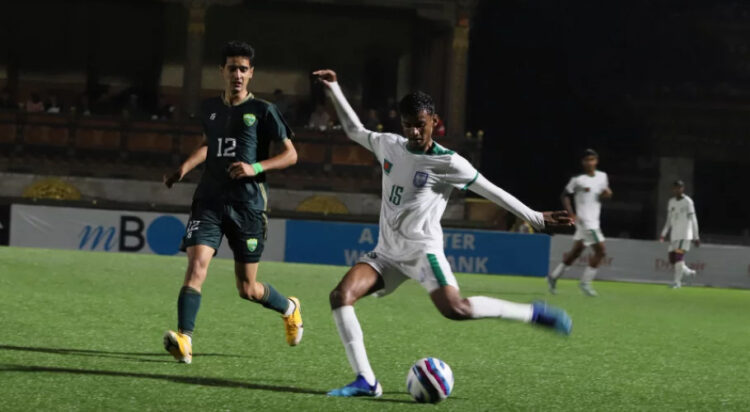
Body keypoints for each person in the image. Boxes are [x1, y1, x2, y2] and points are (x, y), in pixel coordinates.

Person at [313, 69, 573, 398]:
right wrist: (335, 88)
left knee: (456, 310)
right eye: (408, 124)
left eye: (420, 123)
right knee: (340, 296)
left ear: (434, 120)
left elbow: (491, 190)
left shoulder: (449, 162)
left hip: (423, 252)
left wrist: (534, 217)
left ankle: (533, 313)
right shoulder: (390, 145)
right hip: (387, 253)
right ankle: (366, 380)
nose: (414, 130)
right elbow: (354, 130)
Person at [161, 40, 303, 364]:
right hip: (209, 200)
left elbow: (291, 155)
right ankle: (185, 340)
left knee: (247, 288)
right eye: (231, 68)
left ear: (251, 73)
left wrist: (254, 167)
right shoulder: (211, 109)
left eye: (243, 69)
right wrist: (183, 168)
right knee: (196, 267)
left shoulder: (264, 111)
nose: (237, 74)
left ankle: (289, 308)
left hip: (248, 206)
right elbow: (209, 145)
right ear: (221, 71)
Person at [547, 149, 612, 296]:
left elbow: (605, 193)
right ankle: (585, 283)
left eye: (592, 159)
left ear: (596, 161)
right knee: (601, 251)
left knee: (576, 252)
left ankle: (553, 276)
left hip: (594, 220)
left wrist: (607, 194)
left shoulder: (603, 176)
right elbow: (564, 195)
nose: (590, 163)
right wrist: (571, 214)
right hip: (585, 221)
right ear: (583, 162)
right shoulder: (578, 180)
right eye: (587, 160)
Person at [660, 180, 700, 288]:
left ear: (683, 189)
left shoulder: (688, 202)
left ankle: (677, 282)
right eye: (676, 187)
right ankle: (688, 272)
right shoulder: (671, 202)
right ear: (673, 189)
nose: (678, 189)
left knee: (678, 257)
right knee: (672, 259)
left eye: (680, 187)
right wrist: (664, 233)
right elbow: (669, 220)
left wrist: (696, 236)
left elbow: (693, 219)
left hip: (685, 234)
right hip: (674, 235)